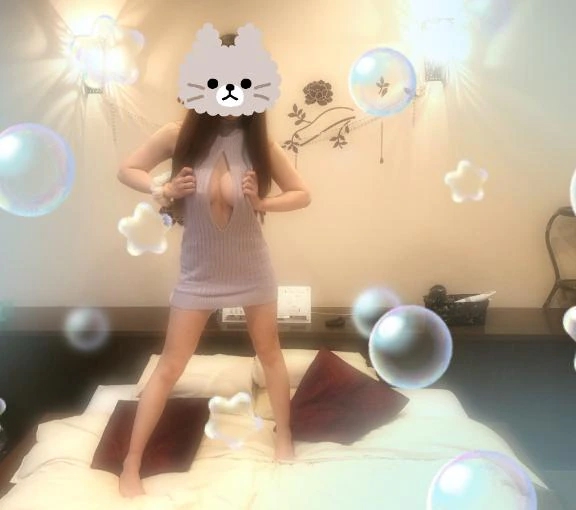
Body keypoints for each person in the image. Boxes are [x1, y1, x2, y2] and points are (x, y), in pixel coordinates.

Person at [115, 37, 311, 498]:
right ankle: (130, 463)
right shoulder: (178, 135)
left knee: (270, 353)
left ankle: (284, 434)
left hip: (252, 268)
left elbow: (303, 193)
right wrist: (164, 188)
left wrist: (263, 202)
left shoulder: (259, 143)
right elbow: (127, 170)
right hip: (198, 274)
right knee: (170, 366)